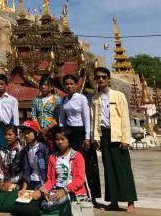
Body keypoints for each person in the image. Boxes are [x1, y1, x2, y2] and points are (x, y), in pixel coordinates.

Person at [92, 67, 137, 213]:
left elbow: (125, 118)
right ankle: (114, 202)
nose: (101, 80)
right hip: (104, 135)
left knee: (123, 169)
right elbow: (94, 120)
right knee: (109, 170)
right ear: (95, 79)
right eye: (98, 77)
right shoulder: (95, 98)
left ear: (108, 79)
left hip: (118, 135)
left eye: (104, 77)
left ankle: (130, 201)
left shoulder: (118, 96)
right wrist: (96, 137)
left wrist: (126, 139)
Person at [60, 73, 101, 203]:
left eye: (71, 83)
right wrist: (62, 134)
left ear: (76, 85)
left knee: (87, 164)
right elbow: (62, 119)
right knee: (72, 164)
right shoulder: (64, 99)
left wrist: (88, 137)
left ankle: (93, 196)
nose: (69, 86)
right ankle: (74, 192)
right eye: (66, 84)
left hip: (81, 132)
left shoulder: (82, 98)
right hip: (69, 133)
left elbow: (86, 118)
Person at [36, 127, 88, 216]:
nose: (60, 142)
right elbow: (51, 180)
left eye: (63, 139)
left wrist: (64, 190)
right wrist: (43, 190)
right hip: (57, 191)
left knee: (52, 207)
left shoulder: (77, 156)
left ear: (69, 140)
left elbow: (80, 180)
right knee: (44, 204)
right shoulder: (52, 158)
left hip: (73, 193)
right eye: (57, 139)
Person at [13, 119, 50, 216]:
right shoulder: (25, 150)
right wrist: (24, 188)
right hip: (31, 182)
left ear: (36, 133)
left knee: (30, 211)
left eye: (28, 132)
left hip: (43, 183)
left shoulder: (44, 149)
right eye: (24, 133)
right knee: (18, 208)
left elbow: (50, 174)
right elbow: (26, 171)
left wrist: (40, 190)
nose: (25, 135)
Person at [0, 124, 23, 212]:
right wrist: (0, 181)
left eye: (10, 134)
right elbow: (0, 169)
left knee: (7, 207)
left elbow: (24, 172)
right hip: (4, 183)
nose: (7, 137)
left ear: (16, 135)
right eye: (5, 135)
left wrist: (11, 181)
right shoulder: (2, 150)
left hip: (18, 184)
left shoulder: (22, 151)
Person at [0, 74, 19, 149]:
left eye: (2, 84)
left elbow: (15, 118)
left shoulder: (12, 100)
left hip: (8, 130)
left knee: (8, 151)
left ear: (6, 85)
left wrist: (17, 133)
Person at [31, 75, 61, 147]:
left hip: (52, 131)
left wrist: (47, 128)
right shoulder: (36, 99)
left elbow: (58, 117)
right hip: (38, 131)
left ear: (51, 87)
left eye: (46, 85)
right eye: (41, 84)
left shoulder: (57, 99)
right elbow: (33, 115)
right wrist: (39, 129)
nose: (43, 87)